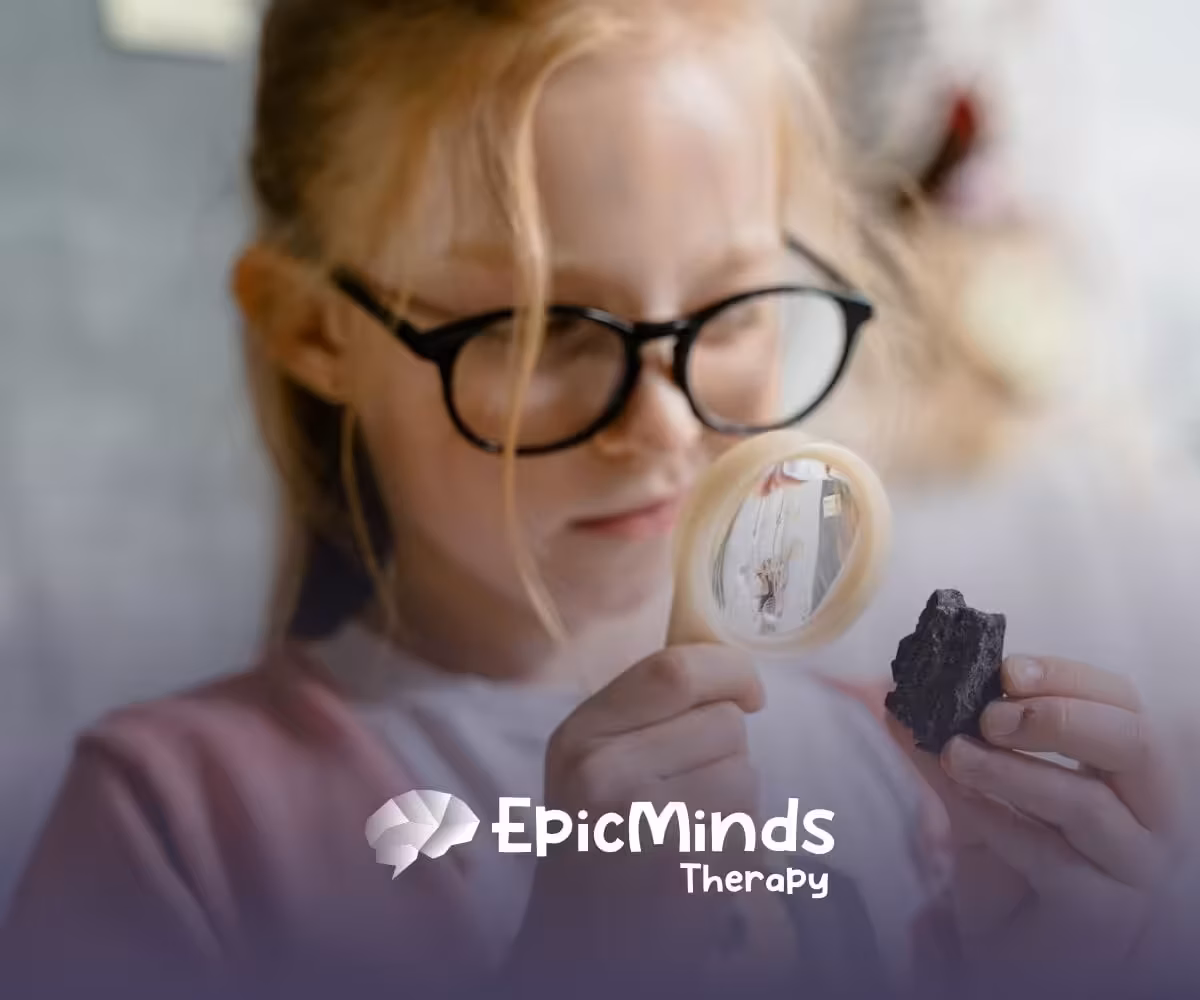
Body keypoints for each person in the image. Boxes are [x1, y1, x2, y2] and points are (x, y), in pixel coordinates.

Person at [0, 2, 1193, 999]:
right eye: (545, 328)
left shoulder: (912, 794)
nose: (666, 423)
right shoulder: (174, 838)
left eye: (727, 312)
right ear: (319, 328)